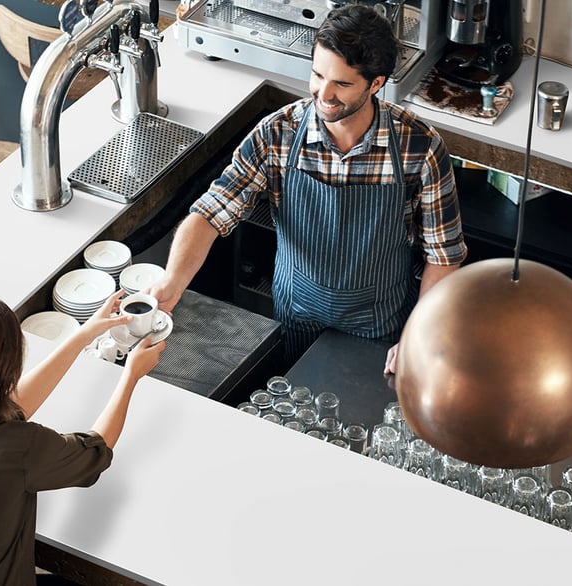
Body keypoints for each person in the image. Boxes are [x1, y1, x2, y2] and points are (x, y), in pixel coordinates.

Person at [150, 5, 466, 371]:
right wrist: (172, 283)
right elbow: (211, 213)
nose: (323, 94)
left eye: (342, 84)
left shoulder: (419, 147)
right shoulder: (277, 133)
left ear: (376, 83)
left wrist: (418, 335)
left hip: (380, 323)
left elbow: (444, 256)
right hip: (295, 314)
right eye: (317, 74)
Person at [0, 293, 164, 585]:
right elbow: (95, 450)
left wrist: (85, 334)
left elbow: (8, 408)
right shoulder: (12, 448)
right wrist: (131, 375)